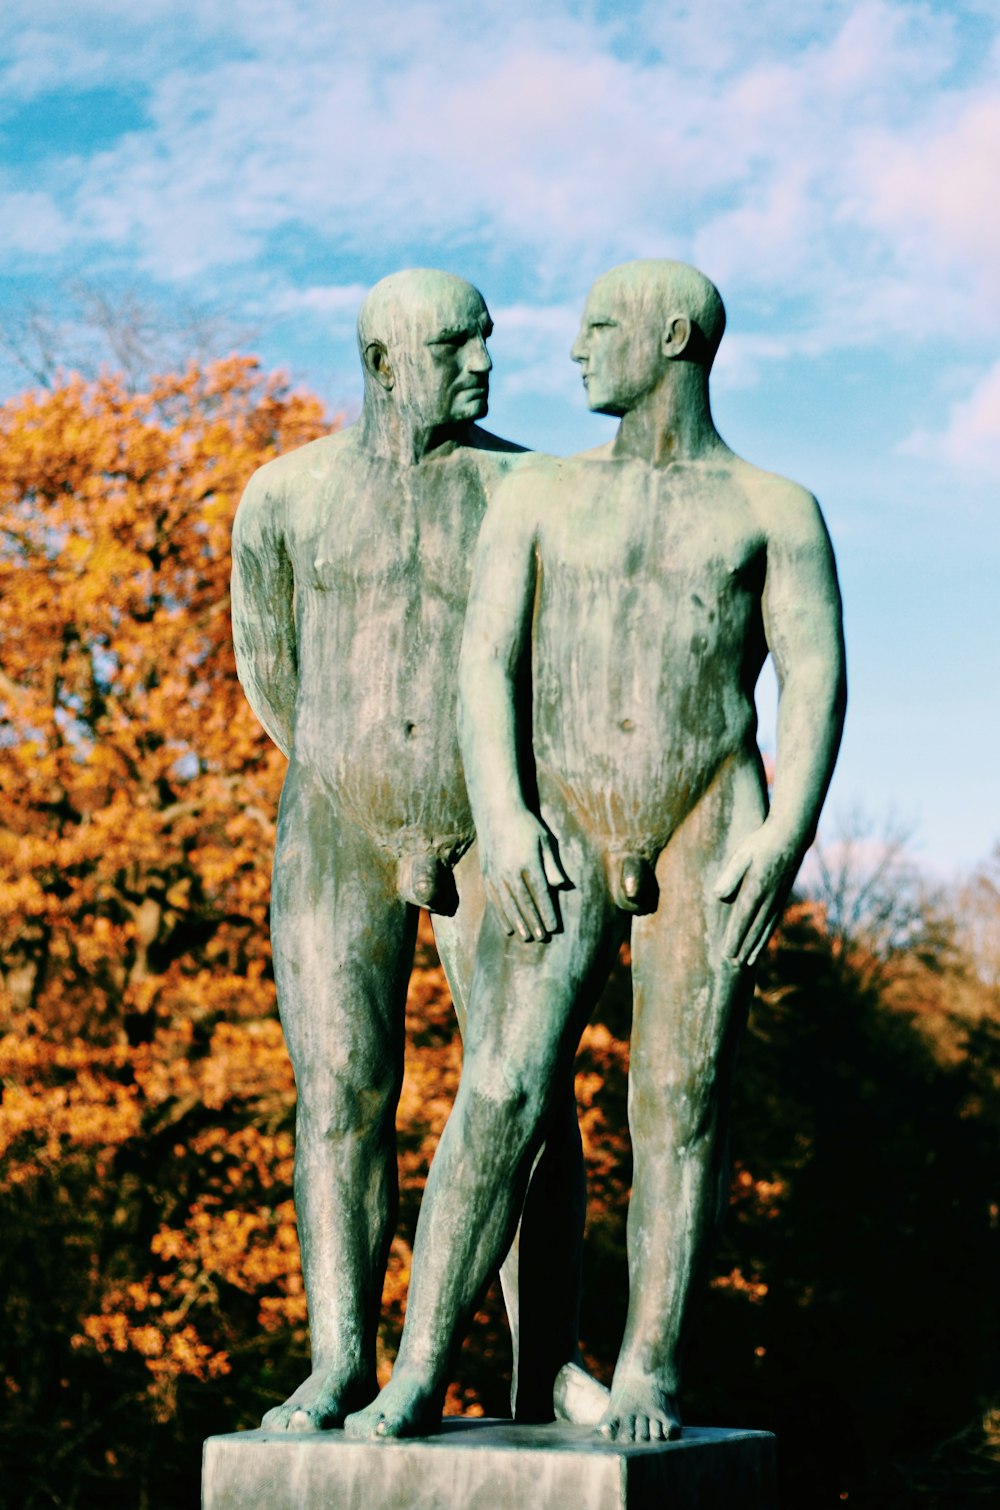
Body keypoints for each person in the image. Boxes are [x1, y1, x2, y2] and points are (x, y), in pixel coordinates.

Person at [346, 259, 846, 1444]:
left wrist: (785, 834)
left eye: (598, 328)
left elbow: (814, 672)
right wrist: (504, 813)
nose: (573, 350)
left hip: (708, 814)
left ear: (671, 337)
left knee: (677, 1097)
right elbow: (486, 663)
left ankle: (649, 1368)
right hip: (560, 810)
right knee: (502, 1086)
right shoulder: (538, 495)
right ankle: (418, 1369)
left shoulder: (773, 507)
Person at [231, 269, 587, 1430]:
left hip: (500, 819)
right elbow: (267, 669)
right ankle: (339, 1354)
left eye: (486, 340)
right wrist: (360, 778)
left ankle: (544, 1368)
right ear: (383, 362)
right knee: (338, 1092)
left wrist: (492, 798)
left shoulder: (529, 485)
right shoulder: (285, 495)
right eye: (454, 345)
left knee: (525, 1097)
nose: (482, 363)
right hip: (335, 817)